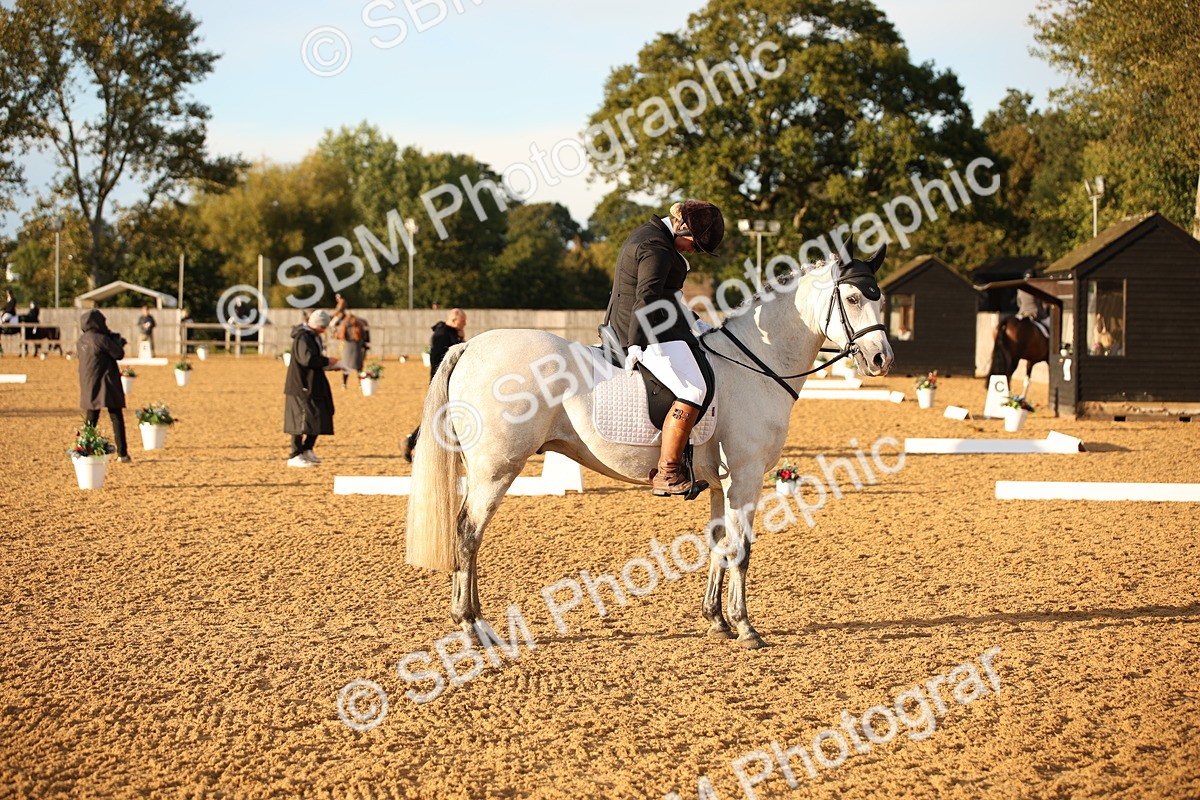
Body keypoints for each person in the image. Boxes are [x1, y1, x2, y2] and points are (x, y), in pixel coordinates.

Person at [605, 199, 725, 496]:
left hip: (658, 323)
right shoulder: (656, 247)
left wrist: (696, 323)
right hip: (643, 329)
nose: (694, 252)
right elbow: (646, 297)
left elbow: (667, 297)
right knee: (693, 390)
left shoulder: (657, 236)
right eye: (695, 245)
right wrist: (636, 343)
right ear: (682, 227)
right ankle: (668, 472)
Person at [403, 308, 467, 461]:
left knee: (448, 415)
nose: (465, 324)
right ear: (454, 320)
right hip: (442, 380)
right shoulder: (442, 334)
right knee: (438, 416)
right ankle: (410, 442)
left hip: (451, 379)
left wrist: (461, 339)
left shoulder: (450, 333)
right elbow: (438, 359)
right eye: (463, 321)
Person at [283, 309, 343, 467]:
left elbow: (313, 360)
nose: (324, 330)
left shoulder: (313, 336)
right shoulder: (303, 337)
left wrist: (329, 366)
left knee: (319, 414)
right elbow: (307, 360)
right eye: (323, 327)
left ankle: (307, 449)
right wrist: (327, 361)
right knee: (299, 420)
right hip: (301, 385)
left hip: (314, 383)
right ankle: (295, 454)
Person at [76, 309, 131, 462]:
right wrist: (119, 343)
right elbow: (118, 354)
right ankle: (122, 453)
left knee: (91, 417)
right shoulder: (101, 338)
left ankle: (85, 450)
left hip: (89, 381)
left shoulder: (81, 340)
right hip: (106, 381)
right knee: (116, 416)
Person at [334, 310, 368, 389]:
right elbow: (364, 337)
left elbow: (338, 335)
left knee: (346, 367)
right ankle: (360, 384)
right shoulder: (359, 326)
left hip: (347, 349)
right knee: (359, 368)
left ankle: (344, 384)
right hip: (357, 349)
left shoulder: (344, 326)